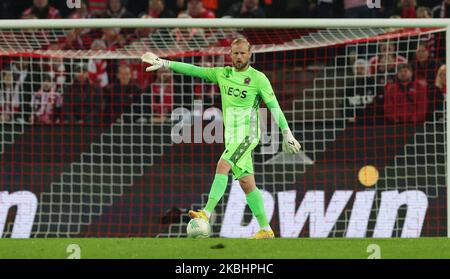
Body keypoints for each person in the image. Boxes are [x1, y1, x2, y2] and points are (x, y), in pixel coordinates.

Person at [141, 38, 301, 239]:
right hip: (231, 137)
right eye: (236, 53)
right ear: (230, 54)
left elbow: (274, 106)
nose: (239, 57)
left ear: (250, 54)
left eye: (243, 53)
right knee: (246, 183)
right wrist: (165, 63)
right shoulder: (222, 74)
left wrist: (287, 133)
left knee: (222, 165)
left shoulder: (259, 79)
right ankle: (265, 229)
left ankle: (205, 213)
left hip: (247, 135)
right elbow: (194, 70)